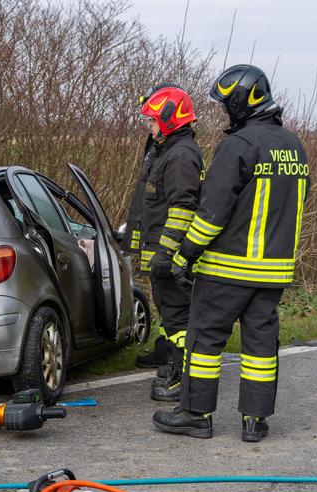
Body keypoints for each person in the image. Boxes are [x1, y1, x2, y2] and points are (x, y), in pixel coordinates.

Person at [153, 64, 311, 441]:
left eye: (227, 104)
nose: (225, 111)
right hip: (273, 272)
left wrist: (185, 254)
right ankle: (254, 422)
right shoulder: (294, 146)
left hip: (226, 269)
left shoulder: (237, 146)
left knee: (204, 341)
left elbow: (212, 212)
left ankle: (196, 414)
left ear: (242, 102)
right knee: (260, 346)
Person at [122, 84, 203, 402]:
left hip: (169, 256)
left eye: (153, 120)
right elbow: (151, 204)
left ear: (171, 119)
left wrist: (167, 253)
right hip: (160, 253)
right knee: (171, 315)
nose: (149, 126)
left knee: (179, 319)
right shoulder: (166, 150)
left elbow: (183, 208)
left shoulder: (181, 156)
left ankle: (183, 379)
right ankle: (175, 368)